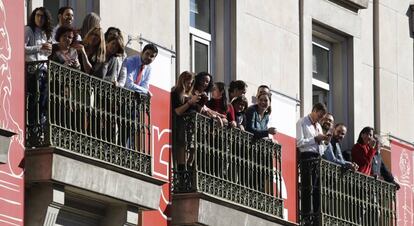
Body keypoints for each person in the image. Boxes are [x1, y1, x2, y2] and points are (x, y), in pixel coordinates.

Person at [171, 71, 200, 169]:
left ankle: (189, 167)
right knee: (182, 147)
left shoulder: (190, 95)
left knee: (193, 148)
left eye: (191, 83)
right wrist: (189, 103)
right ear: (182, 81)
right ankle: (182, 169)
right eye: (188, 82)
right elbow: (177, 111)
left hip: (192, 125)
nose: (190, 85)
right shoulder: (176, 93)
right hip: (181, 125)